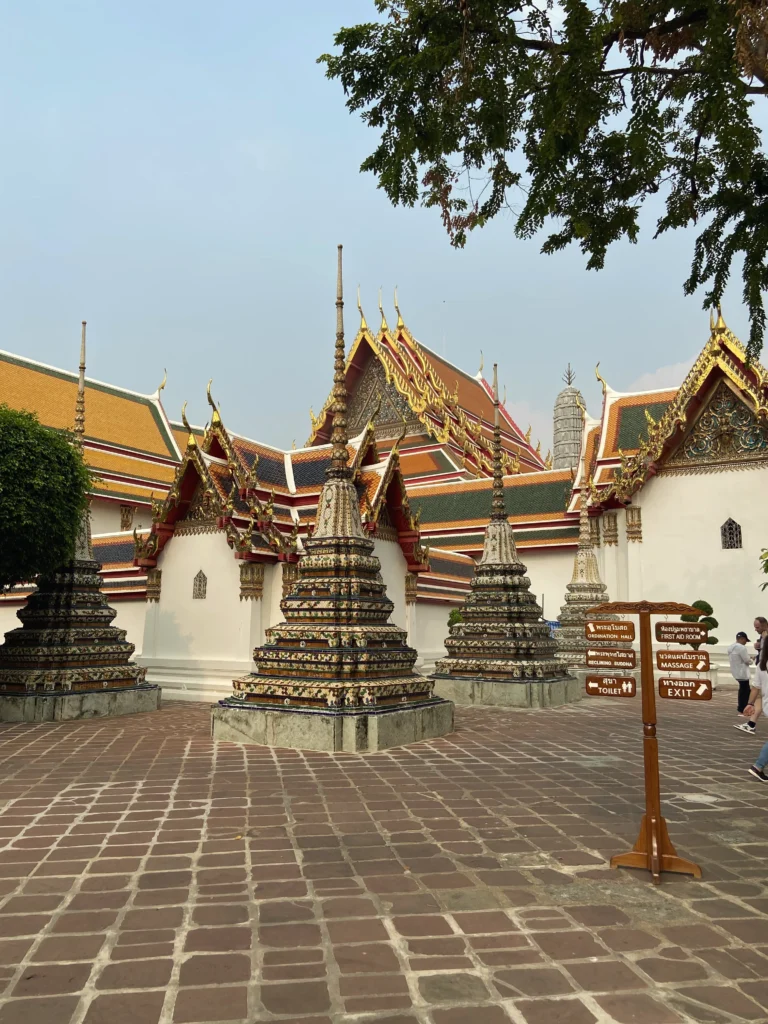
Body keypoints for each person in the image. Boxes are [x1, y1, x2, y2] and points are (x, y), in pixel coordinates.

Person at [735, 616, 768, 735]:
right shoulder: (763, 636)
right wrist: (759, 647)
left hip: (763, 667)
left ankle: (751, 724)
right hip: (762, 666)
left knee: (758, 693)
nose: (755, 629)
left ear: (764, 625)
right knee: (758, 694)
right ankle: (751, 723)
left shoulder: (766, 635)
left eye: (757, 627)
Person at [728, 632, 753, 715]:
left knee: (744, 690)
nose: (746, 642)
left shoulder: (730, 647)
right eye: (745, 640)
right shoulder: (742, 648)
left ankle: (742, 708)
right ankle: (743, 708)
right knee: (745, 691)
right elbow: (747, 660)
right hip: (742, 672)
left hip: (735, 671)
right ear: (742, 639)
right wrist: (752, 659)